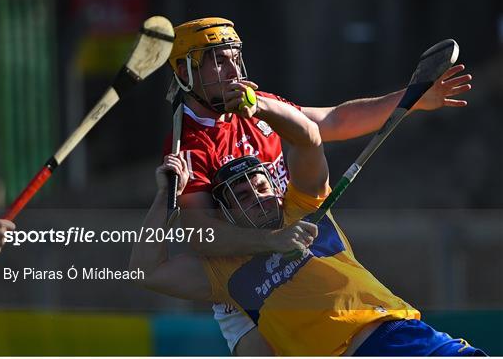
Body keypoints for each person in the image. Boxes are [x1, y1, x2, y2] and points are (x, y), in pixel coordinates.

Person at [161, 16, 473, 354]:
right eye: (219, 61)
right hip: (244, 290)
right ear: (184, 72)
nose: (233, 70)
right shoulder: (189, 145)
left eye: (235, 57)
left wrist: (410, 100)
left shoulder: (256, 106)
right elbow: (202, 235)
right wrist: (271, 241)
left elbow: (333, 120)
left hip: (300, 261)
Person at [131, 150, 486, 355]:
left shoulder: (304, 206)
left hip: (396, 337)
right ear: (226, 216)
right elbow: (147, 271)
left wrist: (258, 104)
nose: (256, 199)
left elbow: (308, 136)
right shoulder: (224, 270)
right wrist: (165, 197)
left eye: (260, 187)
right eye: (241, 197)